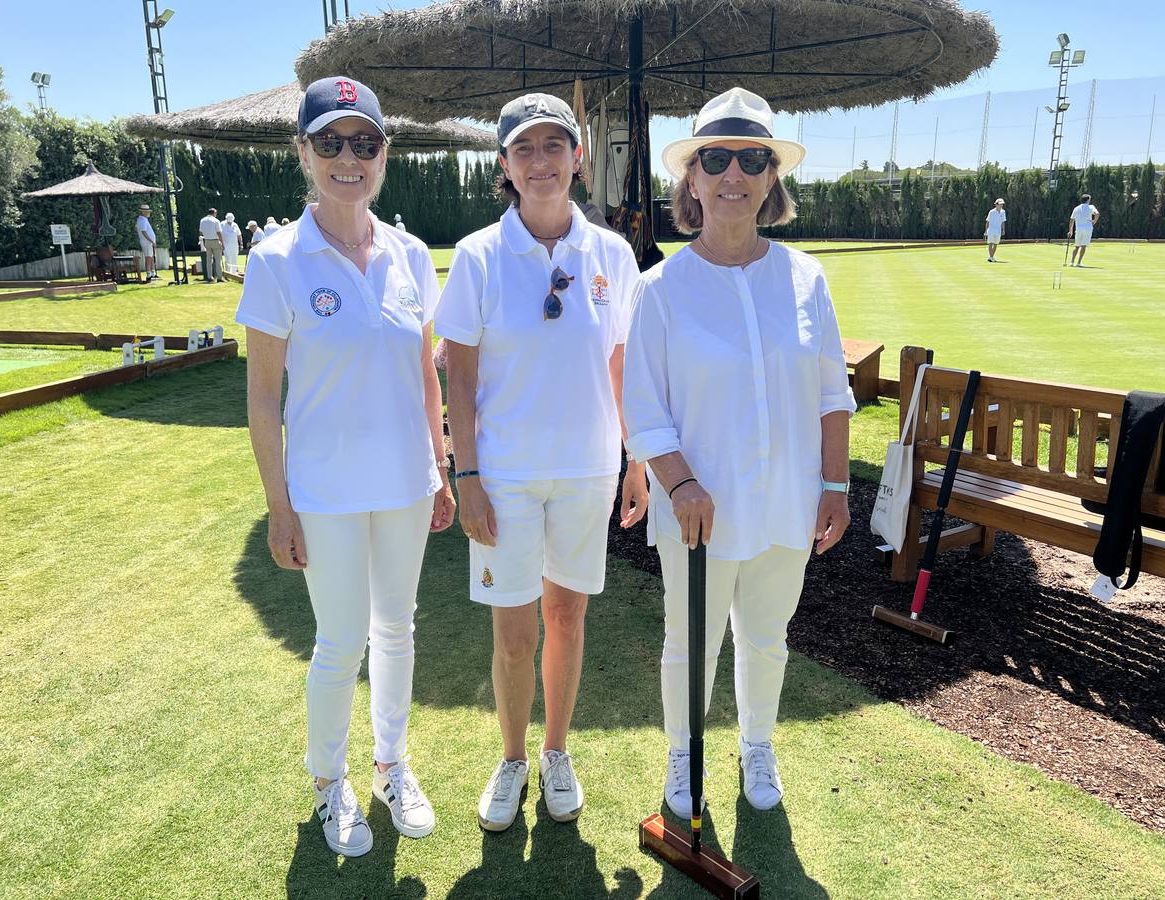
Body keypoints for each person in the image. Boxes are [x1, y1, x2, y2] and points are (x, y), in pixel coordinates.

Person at [236, 75, 455, 858]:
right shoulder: (276, 259)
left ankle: (392, 764)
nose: (347, 158)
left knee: (397, 631)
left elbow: (426, 373)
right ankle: (330, 782)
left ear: (383, 155)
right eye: (329, 142)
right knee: (340, 643)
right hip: (324, 491)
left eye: (363, 142)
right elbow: (263, 399)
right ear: (303, 153)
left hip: (404, 482)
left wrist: (440, 466)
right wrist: (279, 506)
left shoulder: (408, 254)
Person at [623, 87, 855, 820]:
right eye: (715, 159)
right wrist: (680, 482)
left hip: (786, 500)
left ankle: (757, 744)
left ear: (769, 178)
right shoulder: (659, 289)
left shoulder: (806, 276)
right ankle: (684, 752)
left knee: (767, 637)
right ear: (690, 179)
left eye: (750, 159)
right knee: (689, 643)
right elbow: (643, 408)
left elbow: (831, 391)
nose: (733, 174)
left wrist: (837, 484)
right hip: (699, 511)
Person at [435, 92, 647, 833]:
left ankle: (557, 750)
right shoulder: (478, 256)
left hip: (588, 469)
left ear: (577, 157)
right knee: (514, 631)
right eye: (524, 149)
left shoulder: (612, 255)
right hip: (505, 476)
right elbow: (457, 376)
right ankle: (514, 757)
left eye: (554, 146)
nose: (540, 161)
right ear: (504, 165)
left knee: (567, 615)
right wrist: (464, 475)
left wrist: (636, 459)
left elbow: (622, 366)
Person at [1068, 193, 1100, 267]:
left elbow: (1071, 220)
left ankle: (1072, 262)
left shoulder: (1076, 208)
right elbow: (1097, 214)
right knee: (1083, 246)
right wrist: (1094, 221)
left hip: (1079, 229)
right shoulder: (1091, 207)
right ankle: (1079, 263)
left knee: (1077, 246)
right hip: (1088, 228)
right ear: (1088, 200)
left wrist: (1070, 231)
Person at [198, 208, 225, 282]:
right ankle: (219, 277)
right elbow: (219, 232)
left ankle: (209, 277)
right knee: (218, 260)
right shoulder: (216, 221)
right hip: (215, 241)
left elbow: (201, 232)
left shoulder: (202, 220)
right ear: (214, 213)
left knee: (208, 260)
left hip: (207, 241)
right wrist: (222, 243)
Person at [136, 203, 158, 280]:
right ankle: (149, 274)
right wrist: (151, 241)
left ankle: (153, 273)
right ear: (143, 212)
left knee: (151, 257)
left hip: (148, 242)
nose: (149, 213)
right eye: (147, 211)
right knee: (148, 258)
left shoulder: (144, 220)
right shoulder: (142, 220)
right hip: (147, 242)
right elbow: (143, 231)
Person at [984, 198, 1006, 262]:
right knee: (990, 243)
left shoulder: (1003, 212)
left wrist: (1003, 230)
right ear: (996, 205)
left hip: (998, 230)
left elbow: (1003, 222)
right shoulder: (991, 212)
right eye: (1000, 204)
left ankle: (991, 257)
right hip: (991, 230)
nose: (1001, 205)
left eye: (1002, 204)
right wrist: (986, 230)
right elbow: (987, 221)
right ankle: (991, 257)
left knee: (996, 243)